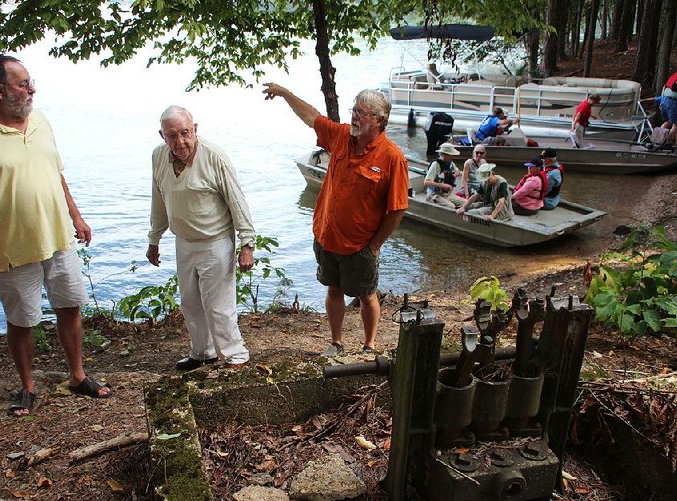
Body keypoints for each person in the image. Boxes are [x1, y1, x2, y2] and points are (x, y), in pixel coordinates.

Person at [0, 54, 112, 417]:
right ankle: (27, 386)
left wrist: (76, 216)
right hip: (13, 247)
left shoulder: (40, 121)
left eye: (30, 81)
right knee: (22, 321)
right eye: (23, 84)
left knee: (69, 307)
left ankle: (77, 375)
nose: (32, 89)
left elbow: (56, 173)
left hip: (57, 239)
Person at [262, 83, 408, 355]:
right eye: (354, 110)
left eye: (362, 113)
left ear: (379, 120)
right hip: (326, 236)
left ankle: (368, 345)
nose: (355, 116)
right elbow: (311, 117)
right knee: (333, 288)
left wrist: (375, 245)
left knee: (367, 294)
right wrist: (284, 92)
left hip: (360, 245)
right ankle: (337, 342)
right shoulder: (341, 136)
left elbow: (398, 208)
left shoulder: (391, 157)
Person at [148, 105, 255, 371]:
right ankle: (203, 352)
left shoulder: (214, 156)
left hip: (215, 241)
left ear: (195, 129)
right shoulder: (159, 156)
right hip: (183, 241)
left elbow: (237, 200)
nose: (180, 141)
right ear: (162, 136)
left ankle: (235, 355)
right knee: (191, 302)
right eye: (172, 136)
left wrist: (247, 243)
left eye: (185, 133)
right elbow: (159, 199)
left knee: (218, 305)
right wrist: (154, 238)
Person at [423, 143, 463, 208]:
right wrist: (442, 185)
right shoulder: (435, 165)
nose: (452, 157)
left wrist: (457, 172)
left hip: (446, 194)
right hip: (433, 194)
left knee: (465, 203)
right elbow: (426, 182)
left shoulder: (450, 163)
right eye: (450, 155)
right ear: (444, 154)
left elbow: (456, 170)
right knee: (451, 206)